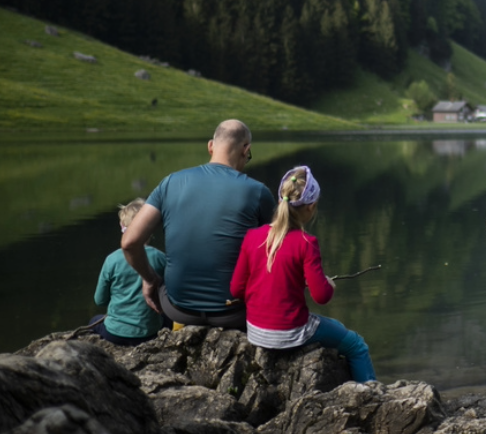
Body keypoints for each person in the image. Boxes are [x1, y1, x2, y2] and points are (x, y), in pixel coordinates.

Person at [122, 119, 274, 328]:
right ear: (245, 149)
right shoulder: (257, 191)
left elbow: (129, 242)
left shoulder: (170, 183)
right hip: (235, 312)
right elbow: (282, 248)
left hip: (178, 309)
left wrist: (149, 279)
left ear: (210, 146)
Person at [230, 166, 376, 382]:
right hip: (291, 333)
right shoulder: (307, 243)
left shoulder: (252, 236)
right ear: (312, 206)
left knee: (337, 328)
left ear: (280, 200)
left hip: (256, 332)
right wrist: (328, 285)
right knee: (356, 345)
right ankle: (372, 393)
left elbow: (236, 289)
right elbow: (321, 296)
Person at [90, 198, 167, 346]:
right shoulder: (160, 258)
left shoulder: (111, 260)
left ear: (122, 226)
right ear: (150, 229)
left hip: (114, 334)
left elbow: (100, 300)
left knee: (94, 321)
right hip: (150, 333)